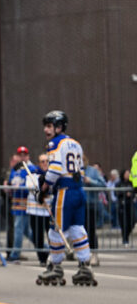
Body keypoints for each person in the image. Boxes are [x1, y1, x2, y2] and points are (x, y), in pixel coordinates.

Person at [36, 111, 96, 286]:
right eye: (45, 126)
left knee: (55, 229)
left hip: (65, 191)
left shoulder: (55, 143)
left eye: (49, 126)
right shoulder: (76, 144)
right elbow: (81, 170)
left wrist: (44, 188)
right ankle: (85, 265)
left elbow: (54, 170)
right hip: (79, 190)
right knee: (78, 229)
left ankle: (55, 266)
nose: (46, 130)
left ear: (59, 127)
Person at [7, 146, 36, 263]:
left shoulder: (31, 168)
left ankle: (15, 254)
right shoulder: (15, 169)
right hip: (16, 203)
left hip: (26, 203)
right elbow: (10, 182)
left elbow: (32, 185)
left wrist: (20, 188)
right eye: (20, 155)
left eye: (24, 155)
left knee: (18, 228)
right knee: (26, 231)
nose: (22, 157)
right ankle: (44, 247)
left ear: (28, 156)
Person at [26, 154, 51, 266]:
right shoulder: (33, 176)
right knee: (37, 236)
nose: (45, 163)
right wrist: (40, 195)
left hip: (49, 211)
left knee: (52, 235)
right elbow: (33, 189)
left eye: (46, 161)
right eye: (42, 161)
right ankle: (42, 258)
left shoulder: (52, 176)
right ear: (39, 163)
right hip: (35, 211)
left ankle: (53, 257)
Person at [82, 156, 105, 266]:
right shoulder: (74, 171)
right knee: (80, 232)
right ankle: (83, 256)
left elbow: (103, 184)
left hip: (91, 205)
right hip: (79, 205)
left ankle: (94, 254)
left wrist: (89, 180)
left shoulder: (93, 171)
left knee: (91, 230)